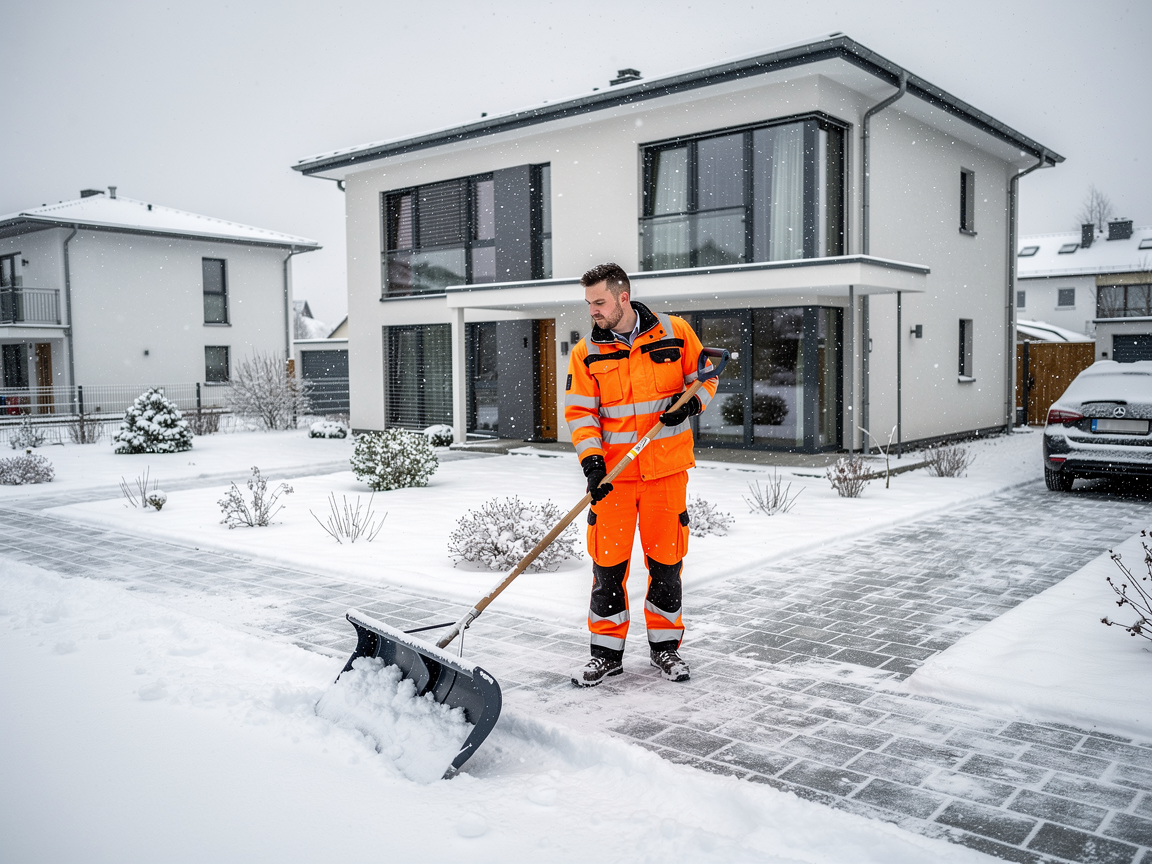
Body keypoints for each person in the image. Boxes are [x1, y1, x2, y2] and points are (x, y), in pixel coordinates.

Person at [564, 262, 717, 687]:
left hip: (666, 471)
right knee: (607, 568)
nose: (593, 310)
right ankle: (606, 655)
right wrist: (592, 462)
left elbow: (705, 378)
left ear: (622, 297)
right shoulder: (586, 352)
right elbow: (580, 413)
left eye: (599, 301)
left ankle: (665, 650)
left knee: (666, 565)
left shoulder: (675, 331)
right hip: (614, 475)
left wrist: (692, 404)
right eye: (589, 302)